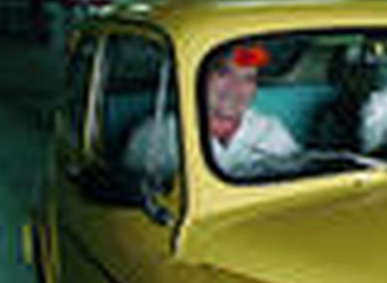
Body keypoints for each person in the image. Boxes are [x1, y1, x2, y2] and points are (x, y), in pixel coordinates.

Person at [124, 44, 299, 182]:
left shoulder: (271, 131)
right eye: (224, 73)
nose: (235, 87)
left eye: (248, 79)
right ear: (199, 78)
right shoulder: (154, 136)